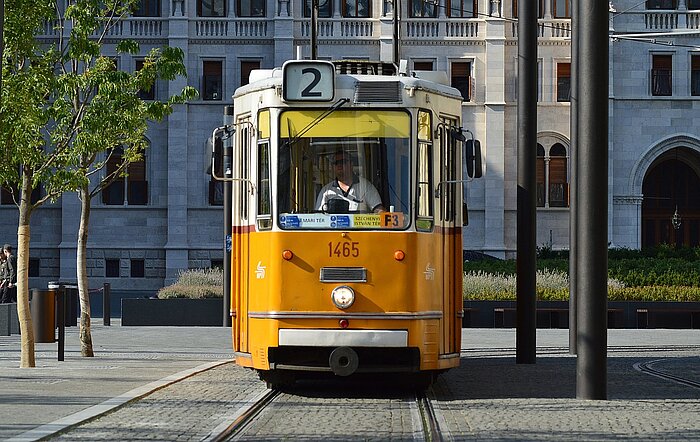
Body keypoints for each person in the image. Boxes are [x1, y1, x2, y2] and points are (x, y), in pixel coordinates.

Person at [315, 151, 385, 213]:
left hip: (360, 227)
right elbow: (319, 217)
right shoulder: (326, 191)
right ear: (333, 167)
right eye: (336, 163)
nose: (339, 165)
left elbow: (379, 210)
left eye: (343, 162)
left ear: (351, 164)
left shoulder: (365, 186)